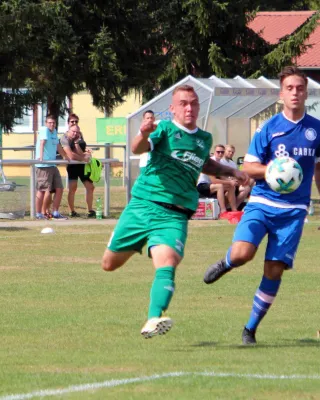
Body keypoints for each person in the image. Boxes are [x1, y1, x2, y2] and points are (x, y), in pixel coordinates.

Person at [101, 85, 248, 339]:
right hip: (142, 205)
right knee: (108, 264)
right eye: (183, 103)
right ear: (172, 109)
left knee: (167, 262)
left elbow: (203, 161)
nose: (189, 108)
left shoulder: (204, 139)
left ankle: (153, 318)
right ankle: (143, 243)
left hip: (174, 214)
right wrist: (143, 132)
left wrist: (233, 172)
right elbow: (138, 148)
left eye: (193, 103)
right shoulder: (164, 129)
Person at [202, 66, 320, 345]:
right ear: (281, 94)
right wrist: (272, 169)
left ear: (306, 92)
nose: (295, 93)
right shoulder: (268, 128)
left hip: (294, 211)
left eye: (300, 88)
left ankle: (250, 329)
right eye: (290, 88)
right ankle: (226, 262)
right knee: (242, 254)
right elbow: (248, 166)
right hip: (262, 202)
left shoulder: (317, 129)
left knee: (273, 270)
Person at [35, 114, 69, 220]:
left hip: (52, 165)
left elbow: (58, 145)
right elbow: (42, 143)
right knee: (44, 190)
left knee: (59, 188)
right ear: (46, 123)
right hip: (44, 165)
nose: (52, 125)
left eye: (53, 123)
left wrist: (65, 156)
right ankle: (39, 213)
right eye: (50, 122)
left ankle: (55, 212)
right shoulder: (44, 130)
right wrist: (41, 157)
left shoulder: (54, 132)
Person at [60, 124, 95, 217]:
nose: (75, 133)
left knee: (90, 187)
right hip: (72, 166)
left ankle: (90, 211)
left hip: (82, 166)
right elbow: (70, 155)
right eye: (73, 131)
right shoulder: (64, 138)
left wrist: (77, 144)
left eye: (77, 132)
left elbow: (81, 153)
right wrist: (83, 158)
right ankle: (72, 211)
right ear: (68, 129)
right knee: (73, 188)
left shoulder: (79, 137)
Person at [197, 144, 239, 213]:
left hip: (211, 186)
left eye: (222, 152)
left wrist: (231, 181)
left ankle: (234, 210)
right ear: (214, 151)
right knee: (220, 186)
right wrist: (229, 182)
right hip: (202, 186)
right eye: (218, 152)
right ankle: (223, 210)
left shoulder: (219, 162)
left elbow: (222, 176)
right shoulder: (210, 162)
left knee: (232, 187)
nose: (220, 154)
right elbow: (214, 180)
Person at [221, 144, 252, 209]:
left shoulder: (233, 164)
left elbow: (236, 176)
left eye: (232, 152)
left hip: (234, 184)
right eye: (229, 151)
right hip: (224, 184)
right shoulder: (220, 161)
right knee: (231, 188)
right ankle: (229, 208)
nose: (231, 153)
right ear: (224, 151)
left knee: (247, 188)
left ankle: (233, 208)